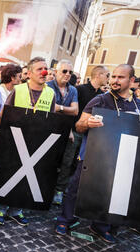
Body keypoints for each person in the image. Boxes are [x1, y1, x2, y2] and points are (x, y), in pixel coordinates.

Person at [55, 64, 140, 244]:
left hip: (121, 159)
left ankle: (100, 226)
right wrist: (88, 123)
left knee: (110, 193)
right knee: (76, 189)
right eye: (113, 77)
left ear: (132, 81)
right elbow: (79, 126)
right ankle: (65, 220)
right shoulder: (100, 100)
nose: (115, 80)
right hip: (92, 155)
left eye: (121, 77)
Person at [0, 57, 57, 226]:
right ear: (29, 73)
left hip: (35, 141)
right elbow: (4, 114)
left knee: (26, 177)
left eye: (45, 68)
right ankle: (0, 207)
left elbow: (51, 119)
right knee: (9, 174)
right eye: (39, 69)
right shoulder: (19, 89)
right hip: (14, 139)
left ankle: (16, 210)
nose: (44, 72)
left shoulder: (51, 93)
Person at [47, 59, 79, 205]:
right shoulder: (47, 87)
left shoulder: (72, 90)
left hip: (66, 129)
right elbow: (47, 108)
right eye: (64, 71)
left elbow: (75, 111)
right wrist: (65, 110)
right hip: (47, 128)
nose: (67, 75)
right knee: (47, 160)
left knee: (66, 162)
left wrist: (58, 108)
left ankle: (59, 191)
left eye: (70, 72)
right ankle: (43, 188)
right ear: (55, 72)